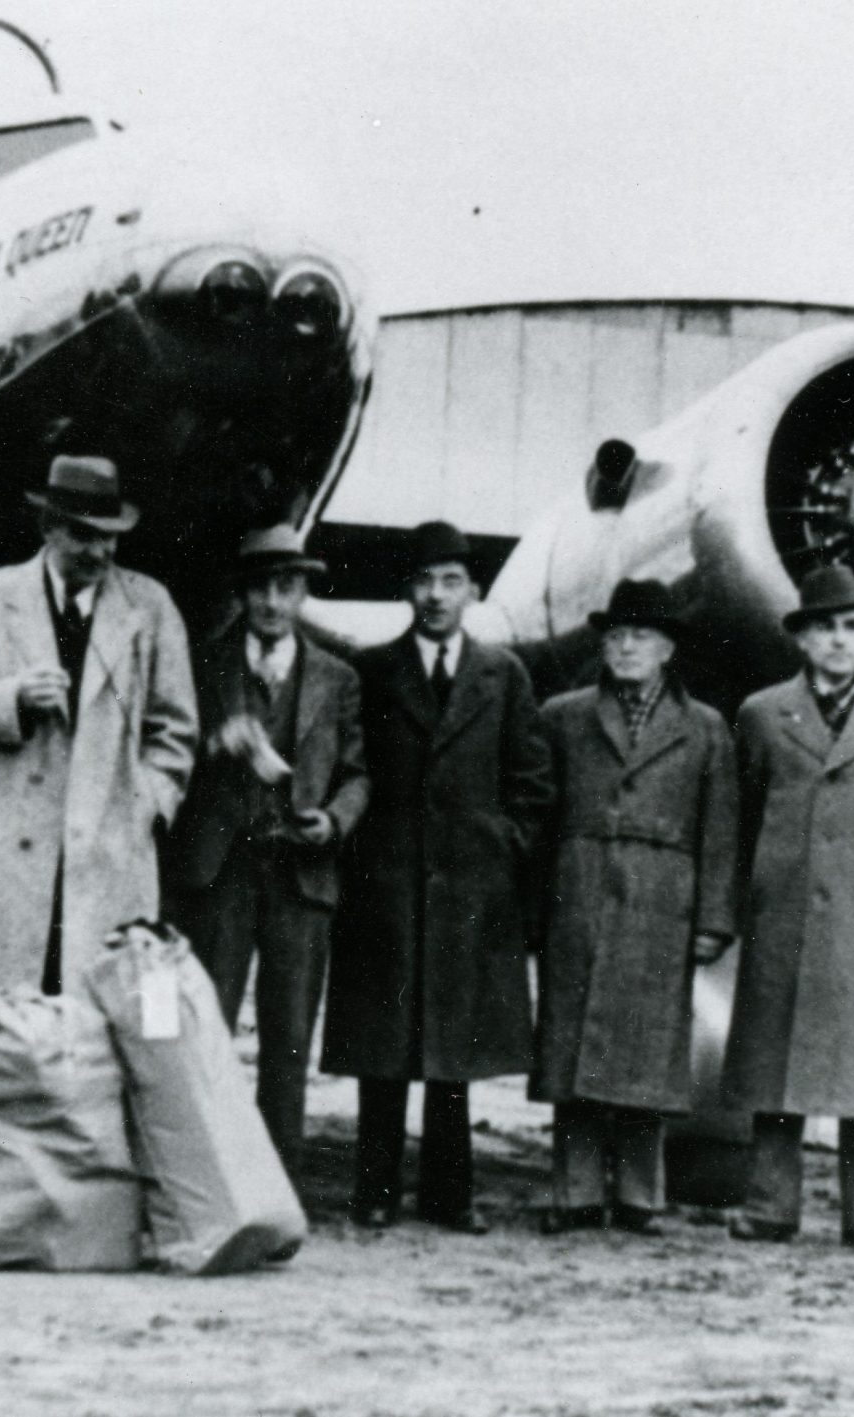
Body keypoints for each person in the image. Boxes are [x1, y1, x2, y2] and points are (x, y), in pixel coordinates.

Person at [321, 520, 552, 1234]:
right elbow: (348, 765)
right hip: (386, 889)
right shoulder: (372, 668)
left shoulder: (503, 675)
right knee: (383, 1050)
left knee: (454, 1052)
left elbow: (533, 782)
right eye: (423, 581)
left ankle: (451, 1193)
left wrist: (500, 848)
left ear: (473, 591)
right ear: (406, 590)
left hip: (469, 893)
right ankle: (376, 1188)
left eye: (451, 581)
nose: (436, 595)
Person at [0, 455, 197, 993]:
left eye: (111, 537)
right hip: (6, 857)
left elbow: (175, 729)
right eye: (83, 535)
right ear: (48, 528)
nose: (101, 551)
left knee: (95, 1019)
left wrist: (146, 802)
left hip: (106, 852)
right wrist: (12, 699)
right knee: (1, 1022)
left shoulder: (150, 607)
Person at [720, 562, 854, 1257]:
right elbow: (743, 815)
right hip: (784, 915)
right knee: (776, 1065)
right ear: (801, 639)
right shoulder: (760, 714)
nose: (839, 640)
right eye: (824, 628)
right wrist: (768, 887)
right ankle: (768, 1205)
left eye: (851, 626)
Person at [530, 578, 736, 1236]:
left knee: (651, 1054)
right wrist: (539, 908)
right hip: (580, 892)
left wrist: (712, 919)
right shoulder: (562, 716)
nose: (625, 647)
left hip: (661, 904)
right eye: (615, 635)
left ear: (667, 647)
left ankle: (642, 1196)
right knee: (573, 1052)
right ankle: (576, 1193)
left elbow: (721, 831)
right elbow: (539, 818)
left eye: (640, 635)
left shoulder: (705, 729)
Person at [161, 524, 369, 1171]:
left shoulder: (337, 677)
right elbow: (164, 747)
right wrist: (213, 744)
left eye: (286, 586)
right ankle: (205, 1176)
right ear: (243, 593)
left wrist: (333, 821)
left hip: (299, 874)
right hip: (219, 871)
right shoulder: (201, 661)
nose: (273, 602)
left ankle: (276, 1181)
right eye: (260, 587)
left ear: (304, 591)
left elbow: (359, 772)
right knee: (207, 1030)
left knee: (288, 1039)